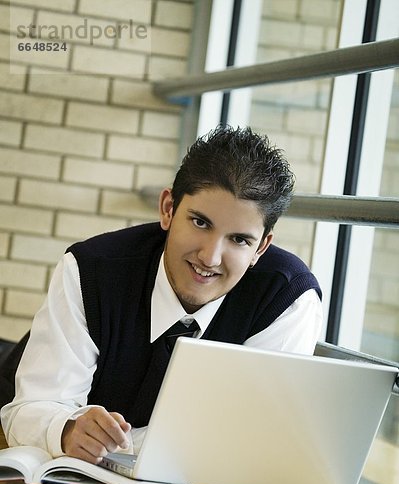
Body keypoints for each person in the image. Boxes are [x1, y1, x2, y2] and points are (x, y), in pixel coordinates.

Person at [1, 125, 322, 464]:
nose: (210, 258)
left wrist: (127, 445)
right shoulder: (91, 270)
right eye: (200, 223)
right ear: (168, 209)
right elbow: (30, 409)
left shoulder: (287, 300)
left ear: (262, 247)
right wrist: (64, 428)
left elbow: (247, 440)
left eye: (239, 240)